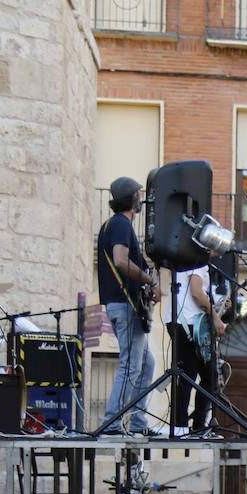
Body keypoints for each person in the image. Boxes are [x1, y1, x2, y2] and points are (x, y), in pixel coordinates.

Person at [98, 175, 161, 435]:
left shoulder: (109, 225)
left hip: (121, 305)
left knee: (147, 364)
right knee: (131, 365)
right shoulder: (121, 225)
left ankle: (138, 422)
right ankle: (112, 423)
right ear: (132, 199)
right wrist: (149, 280)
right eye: (139, 194)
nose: (141, 199)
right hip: (125, 306)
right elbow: (121, 261)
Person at [166, 264, 227, 434]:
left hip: (190, 324)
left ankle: (199, 425)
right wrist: (215, 318)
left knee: (209, 376)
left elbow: (199, 294)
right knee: (187, 375)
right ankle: (180, 426)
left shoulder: (194, 263)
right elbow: (196, 293)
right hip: (186, 324)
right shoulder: (196, 263)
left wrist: (218, 304)